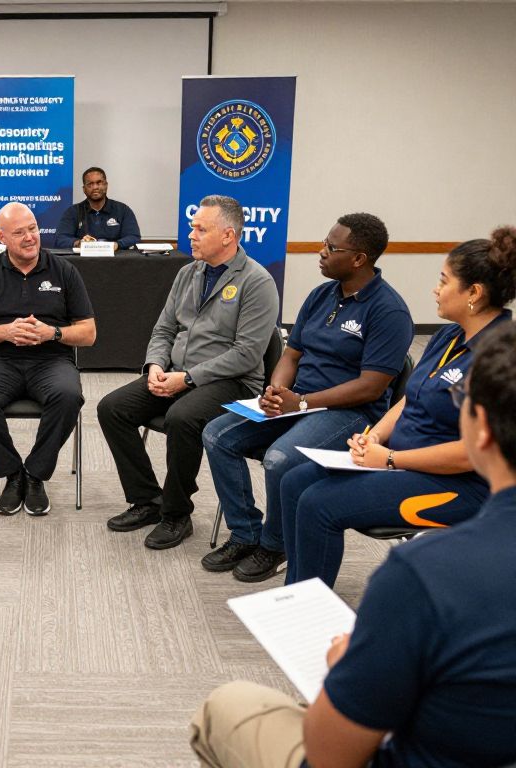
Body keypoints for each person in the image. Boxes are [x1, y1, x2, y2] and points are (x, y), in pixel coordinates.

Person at [189, 320, 516, 768]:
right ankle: (293, 587)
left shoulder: (421, 573)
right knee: (301, 480)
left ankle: (301, 614)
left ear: (480, 430)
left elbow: (329, 754)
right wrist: (379, 440)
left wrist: (346, 669)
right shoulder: (446, 337)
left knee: (224, 707)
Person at [278, 227, 516, 588]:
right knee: (295, 481)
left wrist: (389, 459)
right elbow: (409, 399)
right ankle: (298, 596)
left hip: (460, 484)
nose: (435, 289)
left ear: (474, 294)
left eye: (444, 280)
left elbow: (472, 453)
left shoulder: (500, 354)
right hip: (397, 459)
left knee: (319, 505)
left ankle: (307, 606)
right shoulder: (449, 335)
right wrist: (370, 438)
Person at [200, 213, 413, 582]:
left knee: (281, 459)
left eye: (331, 247)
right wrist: (277, 390)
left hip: (350, 412)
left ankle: (275, 544)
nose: (321, 251)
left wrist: (300, 403)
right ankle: (246, 532)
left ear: (359, 258)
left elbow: (372, 387)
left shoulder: (388, 310)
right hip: (298, 402)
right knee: (218, 435)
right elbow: (291, 355)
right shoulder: (321, 295)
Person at [97, 195, 279, 550]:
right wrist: (154, 366)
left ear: (228, 236)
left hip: (232, 382)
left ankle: (177, 513)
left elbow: (246, 354)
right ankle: (147, 500)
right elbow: (164, 329)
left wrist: (188, 378)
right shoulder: (187, 272)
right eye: (192, 227)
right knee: (111, 408)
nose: (191, 234)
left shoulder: (257, 282)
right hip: (177, 373)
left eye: (200, 228)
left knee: (182, 418)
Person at [0, 202, 96, 516]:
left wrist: (53, 334)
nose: (29, 237)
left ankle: (35, 474)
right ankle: (11, 473)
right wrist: (5, 331)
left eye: (33, 228)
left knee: (68, 396)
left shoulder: (64, 270)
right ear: (2, 238)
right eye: (19, 232)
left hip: (52, 361)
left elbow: (88, 333)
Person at [54, 167, 141, 251]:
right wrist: (79, 243)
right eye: (90, 184)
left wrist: (117, 244)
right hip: (82, 262)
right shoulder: (73, 212)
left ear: (106, 185)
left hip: (116, 261)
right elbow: (60, 239)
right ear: (84, 189)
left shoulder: (123, 210)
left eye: (99, 183)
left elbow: (134, 237)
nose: (95, 187)